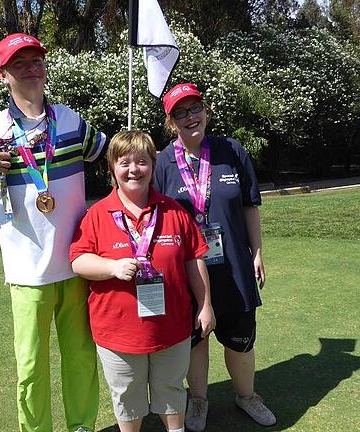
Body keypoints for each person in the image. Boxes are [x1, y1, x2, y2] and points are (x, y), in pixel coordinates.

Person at [0, 33, 106, 432]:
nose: (30, 69)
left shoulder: (69, 119)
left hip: (78, 262)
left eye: (36, 61)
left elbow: (109, 153)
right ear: (3, 75)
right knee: (30, 367)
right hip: (27, 272)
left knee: (81, 357)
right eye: (19, 64)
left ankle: (82, 426)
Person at [70, 130, 216, 432]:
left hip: (171, 326)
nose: (133, 169)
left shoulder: (174, 211)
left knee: (172, 390)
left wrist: (205, 306)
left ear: (153, 165)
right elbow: (78, 260)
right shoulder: (96, 214)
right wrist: (111, 267)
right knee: (126, 396)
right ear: (112, 167)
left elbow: (195, 259)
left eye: (141, 161)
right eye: (124, 163)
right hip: (117, 332)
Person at [153, 83, 277, 431]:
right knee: (196, 338)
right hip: (186, 270)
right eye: (181, 112)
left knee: (241, 337)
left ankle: (246, 395)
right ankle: (198, 401)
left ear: (206, 111)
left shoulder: (230, 150)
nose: (190, 117)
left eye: (195, 108)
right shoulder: (163, 161)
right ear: (171, 122)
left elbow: (250, 205)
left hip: (234, 264)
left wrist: (257, 253)